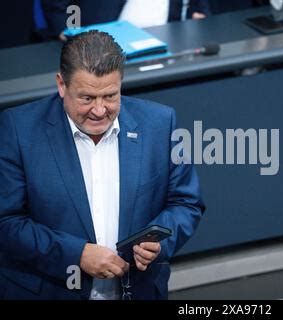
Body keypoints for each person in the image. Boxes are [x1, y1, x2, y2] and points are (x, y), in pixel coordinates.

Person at [0, 30, 204, 300]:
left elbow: (185, 203)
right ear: (62, 85)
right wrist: (77, 254)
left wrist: (159, 243)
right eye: (86, 98)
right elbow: (7, 221)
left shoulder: (159, 123)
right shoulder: (18, 129)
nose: (99, 110)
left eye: (110, 96)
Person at [41, 0, 211, 40]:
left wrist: (199, 11)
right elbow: (62, 5)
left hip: (169, 42)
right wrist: (70, 28)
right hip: (100, 48)